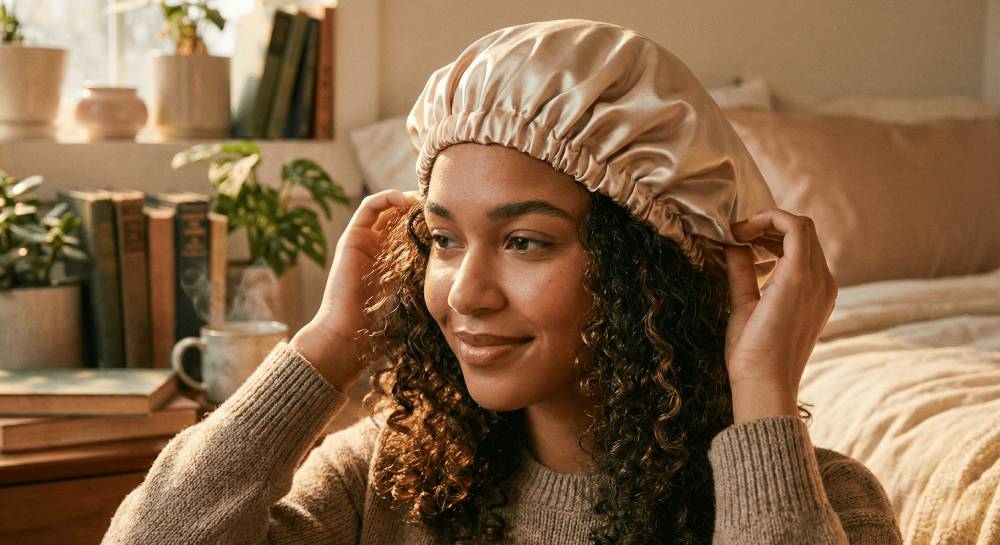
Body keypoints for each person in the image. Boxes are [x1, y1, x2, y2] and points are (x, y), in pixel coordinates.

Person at [103, 19, 903, 545]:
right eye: (444, 240)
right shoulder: (382, 482)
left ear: (647, 270)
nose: (465, 292)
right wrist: (328, 346)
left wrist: (761, 393)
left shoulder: (824, 500)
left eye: (525, 240)